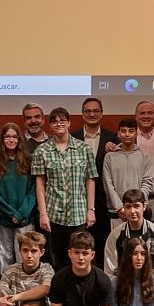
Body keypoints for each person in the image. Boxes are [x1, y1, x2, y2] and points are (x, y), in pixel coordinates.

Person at [33, 107, 99, 266]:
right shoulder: (42, 150)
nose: (58, 123)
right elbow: (40, 183)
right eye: (54, 121)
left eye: (62, 120)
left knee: (79, 256)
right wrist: (43, 214)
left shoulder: (84, 149)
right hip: (54, 214)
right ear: (50, 126)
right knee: (57, 260)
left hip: (79, 214)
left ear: (69, 123)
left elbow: (90, 180)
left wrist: (91, 210)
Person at [75, 97, 121, 253]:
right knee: (79, 244)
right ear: (82, 114)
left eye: (95, 111)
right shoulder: (72, 138)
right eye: (88, 111)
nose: (92, 114)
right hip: (78, 199)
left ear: (102, 114)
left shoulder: (113, 138)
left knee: (103, 244)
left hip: (103, 200)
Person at [0, 122, 38, 273]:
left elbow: (33, 190)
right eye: (7, 137)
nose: (11, 140)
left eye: (14, 137)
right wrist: (10, 213)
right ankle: (6, 290)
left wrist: (21, 213)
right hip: (2, 218)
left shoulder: (29, 160)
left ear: (19, 139)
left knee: (25, 255)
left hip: (24, 218)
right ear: (2, 139)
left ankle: (24, 292)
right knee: (4, 256)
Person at [105, 189, 154, 277]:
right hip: (123, 283)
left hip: (150, 283)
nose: (132, 211)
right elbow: (110, 270)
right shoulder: (115, 235)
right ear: (123, 208)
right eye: (128, 207)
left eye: (136, 206)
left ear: (144, 206)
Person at [104, 117, 154, 219]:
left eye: (131, 131)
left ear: (136, 133)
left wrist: (136, 204)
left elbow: (147, 182)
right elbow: (108, 183)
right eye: (123, 131)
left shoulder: (144, 156)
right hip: (116, 212)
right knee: (117, 235)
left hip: (138, 211)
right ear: (118, 133)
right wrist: (119, 207)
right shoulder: (110, 157)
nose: (127, 134)